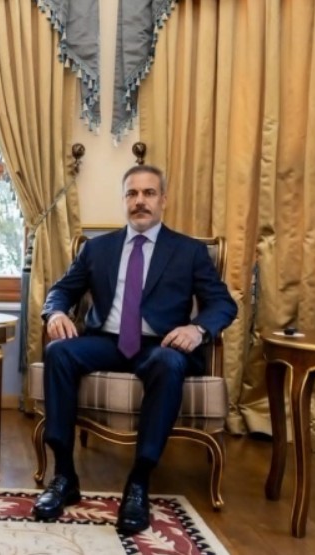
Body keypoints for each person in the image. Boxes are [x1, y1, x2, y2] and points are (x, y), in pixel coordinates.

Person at [31, 165, 237, 535]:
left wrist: (197, 328)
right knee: (59, 352)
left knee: (168, 362)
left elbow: (222, 303)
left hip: (159, 344)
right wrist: (56, 312)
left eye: (149, 193)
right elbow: (61, 290)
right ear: (124, 200)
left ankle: (139, 482)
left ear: (163, 200)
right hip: (106, 341)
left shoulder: (188, 252)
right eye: (132, 193)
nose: (140, 201)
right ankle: (64, 476)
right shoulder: (98, 249)